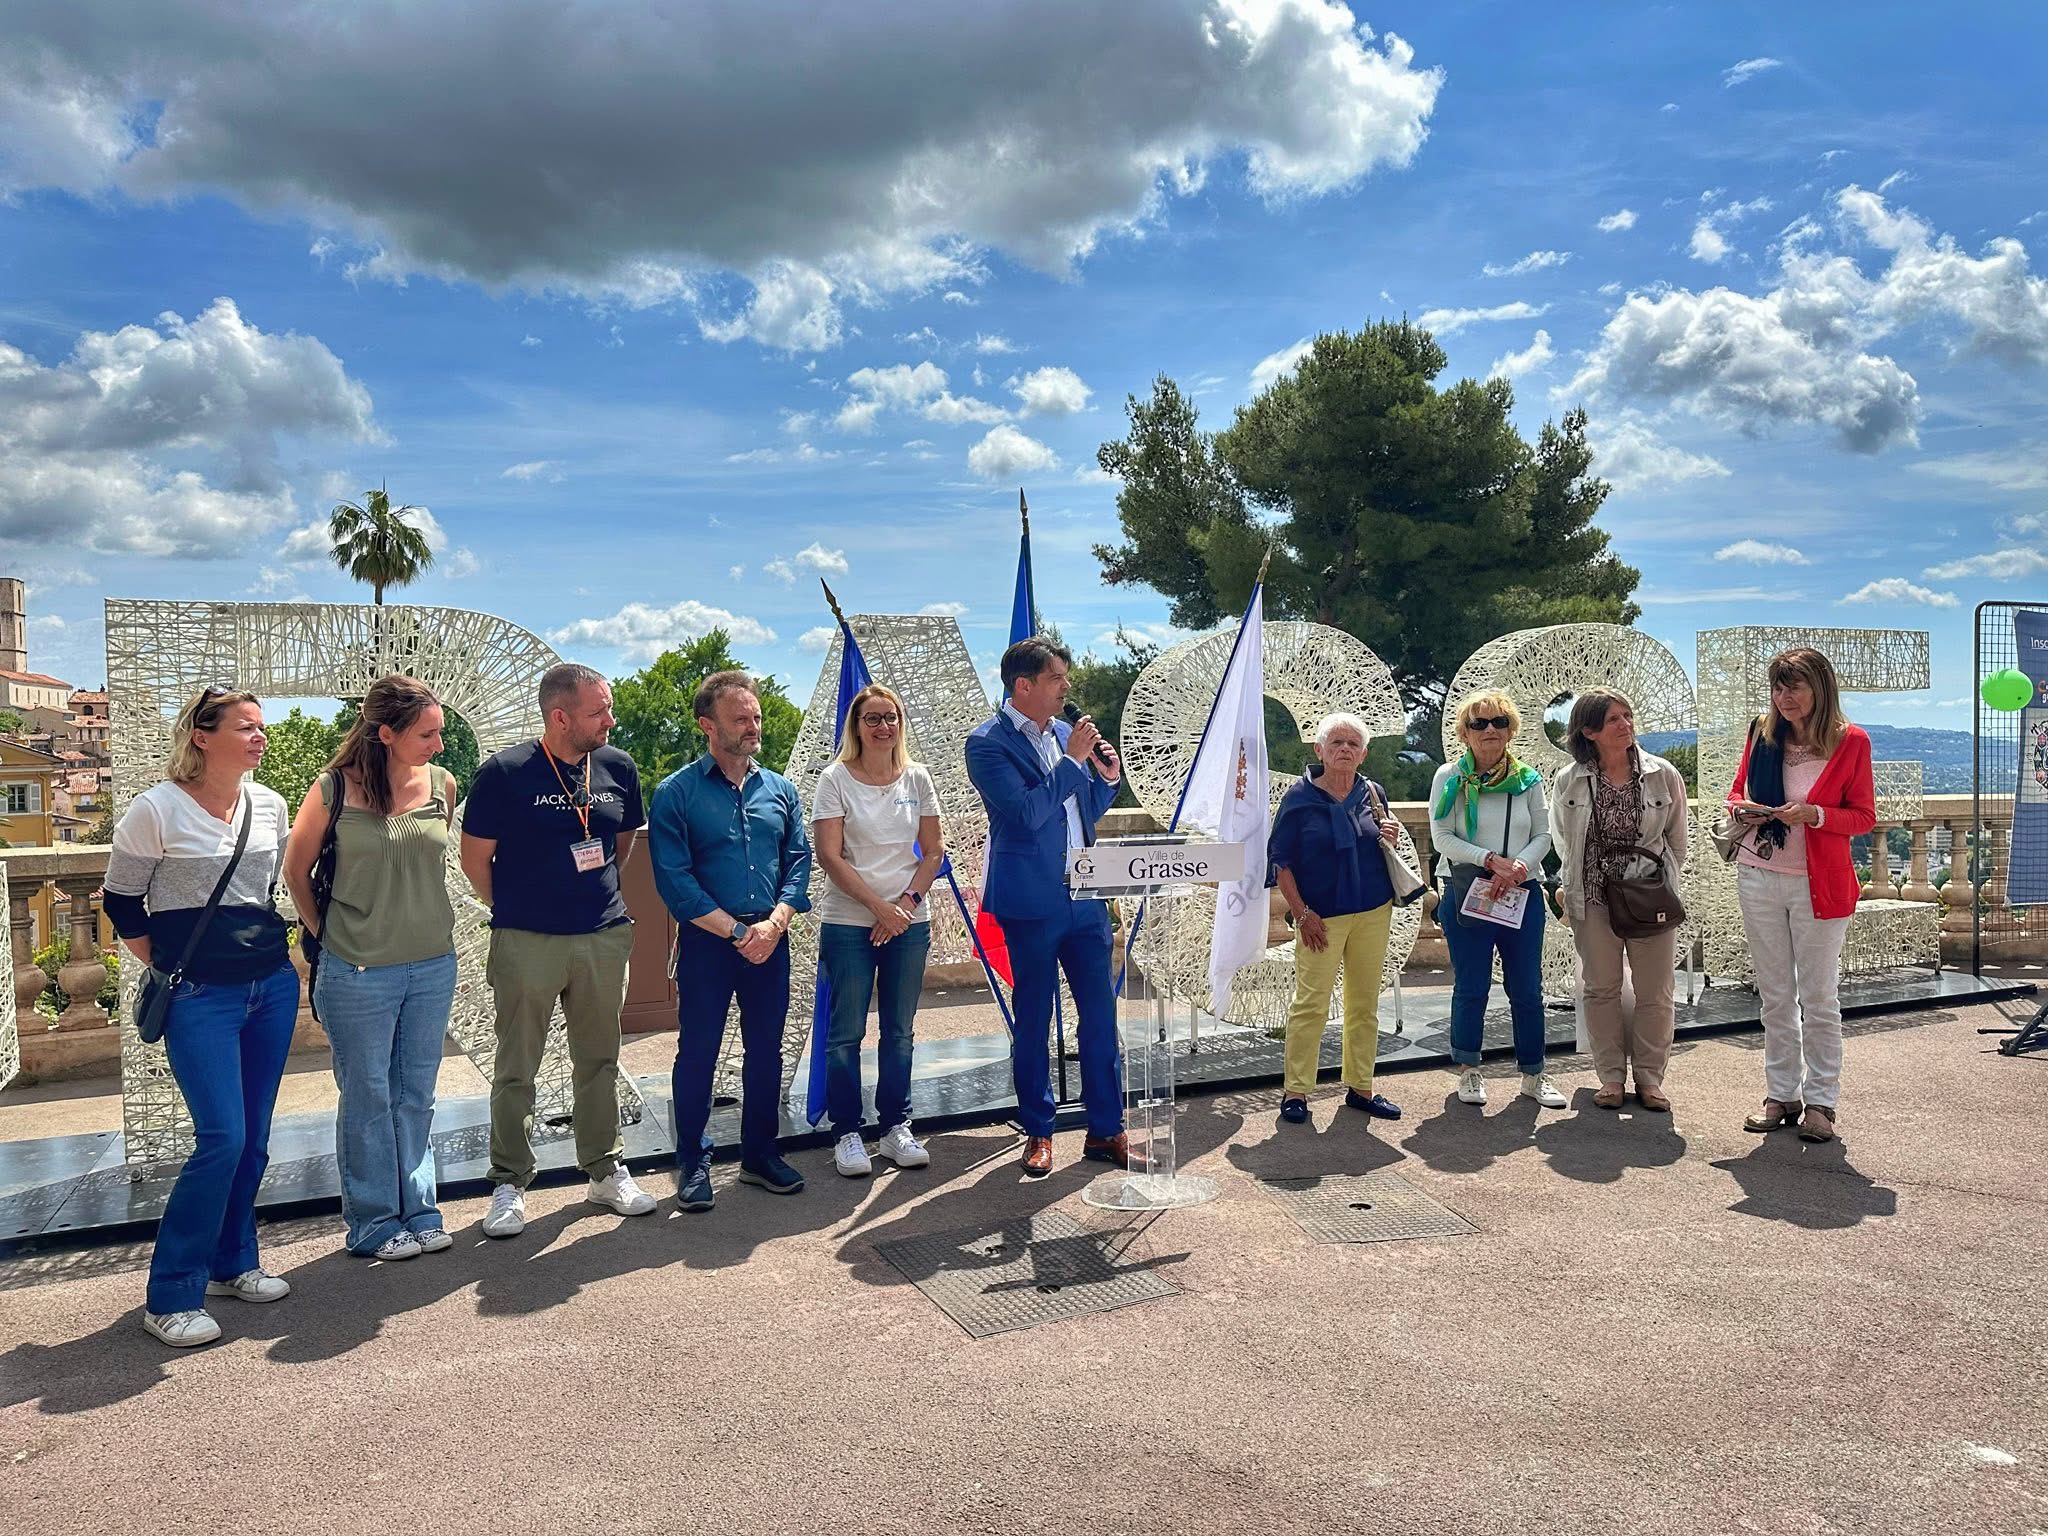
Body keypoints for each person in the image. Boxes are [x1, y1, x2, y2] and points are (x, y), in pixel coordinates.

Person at [104, 687, 299, 1348]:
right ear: (202, 736)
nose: (260, 737)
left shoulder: (269, 805)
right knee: (222, 1137)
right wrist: (172, 964)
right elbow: (122, 903)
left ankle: (233, 1263)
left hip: (270, 987)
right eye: (245, 727)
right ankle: (170, 1295)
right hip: (201, 997)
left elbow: (264, 893)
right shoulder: (155, 810)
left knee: (254, 1139)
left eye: (261, 727)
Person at [459, 661, 655, 1238]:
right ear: (560, 717)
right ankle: (510, 1182)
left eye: (609, 709)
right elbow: (475, 861)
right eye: (599, 712)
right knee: (517, 1067)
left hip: (602, 935)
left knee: (599, 1059)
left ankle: (604, 1169)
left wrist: (591, 898)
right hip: (527, 940)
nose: (610, 721)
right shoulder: (504, 773)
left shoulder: (618, 766)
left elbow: (619, 843)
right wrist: (522, 908)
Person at [281, 675, 459, 1261]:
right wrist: (327, 936)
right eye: (426, 734)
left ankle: (421, 1210)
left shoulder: (443, 783)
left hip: (432, 965)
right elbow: (295, 871)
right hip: (357, 971)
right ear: (385, 734)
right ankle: (373, 1222)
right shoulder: (332, 789)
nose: (439, 744)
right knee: (368, 1097)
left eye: (438, 732)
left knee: (417, 1095)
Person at [964, 635, 1139, 1178]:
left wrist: (1107, 778)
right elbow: (1025, 815)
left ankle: (1106, 1129)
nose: (1066, 687)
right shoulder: (987, 743)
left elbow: (1083, 809)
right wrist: (1072, 761)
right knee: (1035, 1019)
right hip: (1031, 902)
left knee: (1101, 1017)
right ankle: (1039, 1131)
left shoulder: (1065, 734)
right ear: (1024, 685)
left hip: (1085, 898)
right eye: (1056, 678)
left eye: (1065, 677)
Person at [647, 669, 812, 1209]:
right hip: (709, 943)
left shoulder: (781, 790)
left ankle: (760, 1155)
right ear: (707, 726)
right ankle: (693, 1162)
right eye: (741, 719)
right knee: (699, 1052)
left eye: (756, 717)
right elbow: (675, 882)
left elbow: (798, 861)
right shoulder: (676, 793)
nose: (753, 727)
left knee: (765, 1051)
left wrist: (775, 924)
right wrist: (739, 932)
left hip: (771, 937)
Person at [1726, 647, 1876, 1142]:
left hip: (1819, 883)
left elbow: (1864, 817)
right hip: (1759, 874)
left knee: (1818, 997)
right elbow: (1735, 792)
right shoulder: (1761, 733)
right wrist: (1743, 808)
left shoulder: (1851, 742)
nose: (1783, 696)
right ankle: (1781, 1093)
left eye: (1795, 686)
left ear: (1820, 688)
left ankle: (1821, 1102)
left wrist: (1816, 815)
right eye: (1777, 686)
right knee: (1774, 995)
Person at [810, 683, 945, 1177]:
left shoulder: (918, 777)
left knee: (900, 1031)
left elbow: (934, 851)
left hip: (908, 921)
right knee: (845, 1033)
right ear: (857, 726)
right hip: (849, 921)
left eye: (891, 717)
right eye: (872, 718)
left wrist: (904, 906)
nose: (883, 726)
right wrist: (877, 908)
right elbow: (829, 856)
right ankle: (847, 1132)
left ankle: (895, 1128)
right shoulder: (835, 779)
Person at [1552, 689, 1690, 1112]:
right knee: (1601, 989)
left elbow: (1677, 840)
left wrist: (1656, 880)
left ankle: (1650, 1079)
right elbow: (1563, 841)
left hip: (1649, 896)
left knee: (1656, 992)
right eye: (1613, 719)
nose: (1625, 725)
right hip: (1593, 897)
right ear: (1589, 731)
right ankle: (1610, 1076)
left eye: (1627, 716)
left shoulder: (1662, 775)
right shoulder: (1569, 780)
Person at [1266, 712, 1405, 1125]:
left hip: (1373, 911)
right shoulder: (1299, 798)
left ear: (1363, 754)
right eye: (1336, 743)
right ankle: (1296, 1092)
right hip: (1320, 918)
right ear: (1319, 750)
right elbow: (1281, 862)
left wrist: (1392, 836)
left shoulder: (1373, 793)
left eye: (1352, 744)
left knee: (1364, 1004)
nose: (1345, 749)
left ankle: (1361, 1088)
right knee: (1311, 1004)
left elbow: (1381, 842)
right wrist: (1301, 913)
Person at [1430, 690, 1564, 1110]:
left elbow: (1543, 834)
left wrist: (1518, 867)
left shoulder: (1528, 780)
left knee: (1527, 988)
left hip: (1521, 890)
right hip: (1466, 889)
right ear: (1464, 733)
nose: (1490, 730)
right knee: (1472, 986)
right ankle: (1469, 1070)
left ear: (1511, 730)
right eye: (1479, 723)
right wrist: (1489, 860)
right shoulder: (1449, 777)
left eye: (1499, 722)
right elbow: (1441, 837)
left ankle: (1534, 1074)